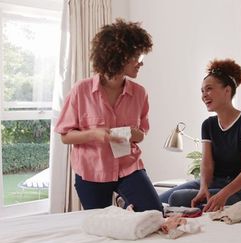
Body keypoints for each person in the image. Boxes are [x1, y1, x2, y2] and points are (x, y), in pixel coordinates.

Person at [55, 19, 163, 212]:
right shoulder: (82, 90)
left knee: (154, 214)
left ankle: (126, 205)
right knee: (103, 228)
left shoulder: (140, 93)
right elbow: (65, 136)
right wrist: (94, 134)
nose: (141, 63)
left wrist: (132, 133)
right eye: (136, 56)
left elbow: (141, 135)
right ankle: (123, 211)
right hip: (91, 171)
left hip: (129, 167)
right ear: (119, 56)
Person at [159, 59, 241, 212]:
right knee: (156, 199)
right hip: (212, 182)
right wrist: (203, 187)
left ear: (227, 91)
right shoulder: (208, 124)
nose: (204, 95)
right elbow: (207, 163)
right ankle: (126, 209)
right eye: (202, 91)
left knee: (177, 198)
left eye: (209, 89)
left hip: (235, 189)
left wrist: (223, 194)